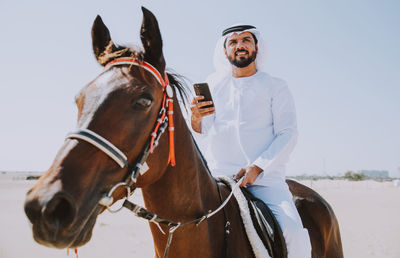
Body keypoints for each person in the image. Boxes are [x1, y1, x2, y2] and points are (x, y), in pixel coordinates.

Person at [190, 24, 312, 257]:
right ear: (225, 52)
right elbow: (202, 130)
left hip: (266, 181)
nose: (240, 46)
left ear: (257, 47)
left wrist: (257, 167)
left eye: (246, 40)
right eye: (233, 42)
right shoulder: (214, 85)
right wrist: (195, 118)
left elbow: (288, 133)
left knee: (294, 234)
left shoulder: (276, 86)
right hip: (219, 179)